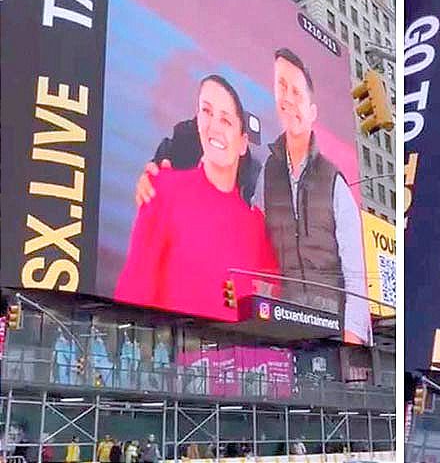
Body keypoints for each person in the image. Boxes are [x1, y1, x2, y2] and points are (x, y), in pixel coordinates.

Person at [134, 51, 370, 344]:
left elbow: (356, 274)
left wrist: (353, 339)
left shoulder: (335, 181)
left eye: (296, 91)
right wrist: (157, 173)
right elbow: (246, 239)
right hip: (286, 331)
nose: (288, 98)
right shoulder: (264, 175)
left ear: (312, 111)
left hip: (332, 330)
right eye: (281, 87)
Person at [115, 75, 280, 317]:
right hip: (165, 348)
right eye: (206, 111)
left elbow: (275, 300)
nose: (214, 126)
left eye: (226, 120)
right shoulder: (163, 187)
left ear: (243, 142)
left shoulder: (256, 223)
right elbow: (134, 288)